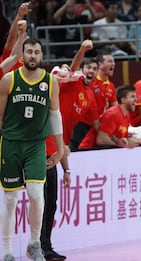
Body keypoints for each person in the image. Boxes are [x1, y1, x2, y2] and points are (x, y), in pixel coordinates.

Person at [0, 38, 64, 261]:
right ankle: (7, 250)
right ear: (22, 56)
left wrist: (60, 148)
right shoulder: (9, 80)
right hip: (11, 143)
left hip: (36, 145)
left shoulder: (50, 82)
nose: (33, 56)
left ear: (42, 56)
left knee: (37, 195)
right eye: (29, 52)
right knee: (10, 200)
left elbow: (55, 115)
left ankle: (34, 244)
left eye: (37, 52)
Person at [79, 85, 141, 149]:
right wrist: (123, 146)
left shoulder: (127, 115)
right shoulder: (113, 114)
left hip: (103, 153)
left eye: (135, 96)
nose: (136, 99)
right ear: (123, 100)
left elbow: (123, 139)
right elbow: (101, 140)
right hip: (87, 152)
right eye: (132, 96)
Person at [70, 49, 117, 151]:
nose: (113, 64)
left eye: (94, 69)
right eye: (109, 61)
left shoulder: (109, 86)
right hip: (78, 125)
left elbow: (115, 108)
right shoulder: (79, 82)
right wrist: (83, 49)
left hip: (94, 127)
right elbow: (73, 69)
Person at [41, 138, 71, 261]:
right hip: (36, 161)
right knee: (40, 206)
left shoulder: (55, 120)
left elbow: (61, 144)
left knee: (51, 206)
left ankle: (47, 246)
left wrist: (66, 170)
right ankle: (40, 246)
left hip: (51, 163)